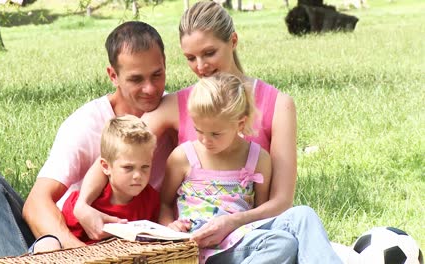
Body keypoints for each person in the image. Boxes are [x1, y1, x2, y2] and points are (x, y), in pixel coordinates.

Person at [74, 1, 342, 263]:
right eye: (190, 58)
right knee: (287, 247)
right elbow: (120, 147)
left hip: (250, 228)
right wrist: (82, 204)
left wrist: (232, 222)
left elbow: (282, 201)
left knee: (303, 217)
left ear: (233, 41)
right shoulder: (179, 104)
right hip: (202, 238)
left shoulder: (278, 104)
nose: (200, 67)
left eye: (209, 53)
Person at [0, 21, 171, 263]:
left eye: (157, 74)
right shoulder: (86, 123)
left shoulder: (175, 115)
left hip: (138, 251)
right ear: (113, 76)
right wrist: (82, 255)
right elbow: (37, 203)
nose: (150, 88)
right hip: (66, 240)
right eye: (136, 79)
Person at [160, 73, 341, 263]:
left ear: (240, 123)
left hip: (243, 238)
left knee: (304, 215)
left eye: (215, 133)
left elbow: (261, 214)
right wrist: (170, 229)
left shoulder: (258, 158)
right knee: (282, 243)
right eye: (198, 130)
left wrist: (232, 222)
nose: (206, 140)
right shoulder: (184, 156)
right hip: (204, 246)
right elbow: (164, 203)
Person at [61, 115, 159, 245]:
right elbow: (64, 243)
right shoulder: (86, 204)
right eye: (128, 167)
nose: (138, 175)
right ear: (106, 167)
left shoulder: (151, 199)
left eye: (145, 167)